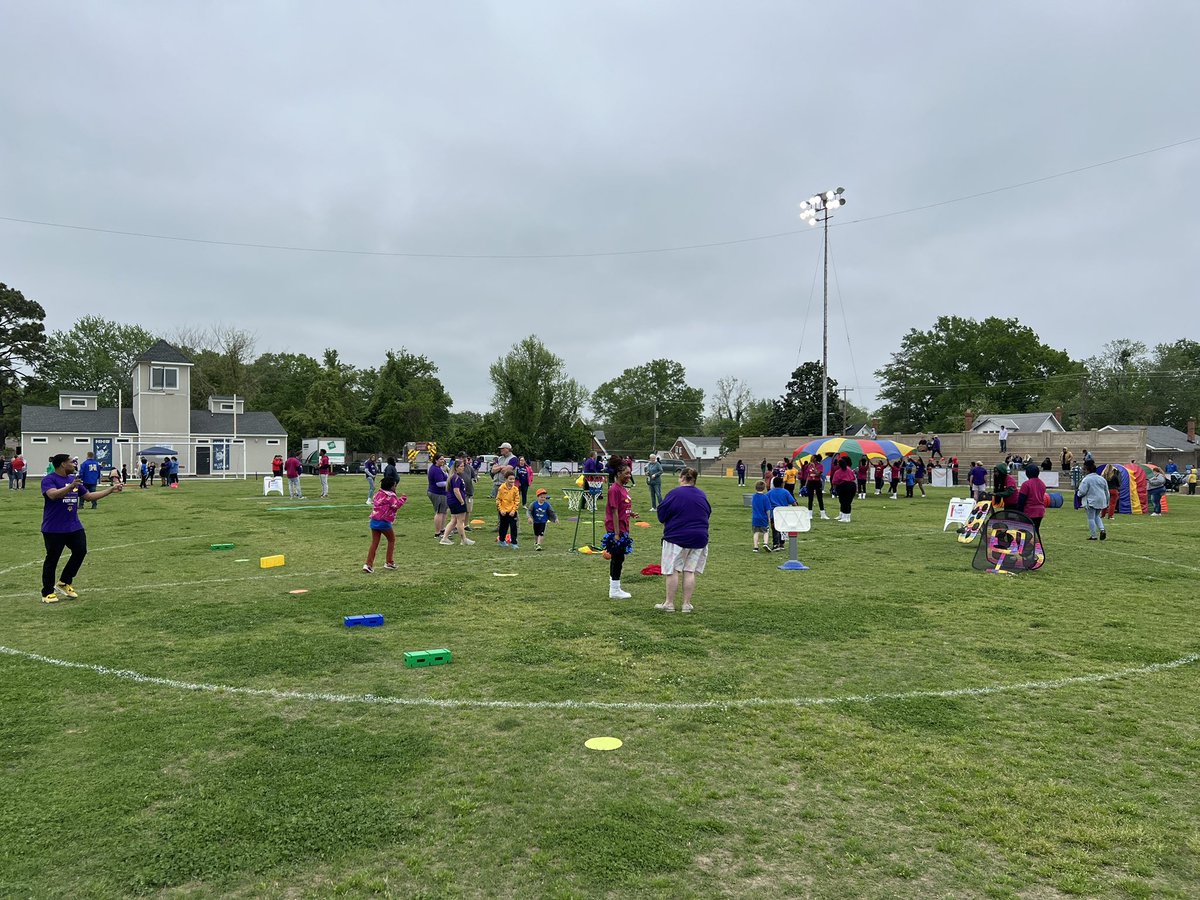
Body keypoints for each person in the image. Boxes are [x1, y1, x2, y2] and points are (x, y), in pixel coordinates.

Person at [39, 453, 124, 603]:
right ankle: (47, 593)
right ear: (63, 464)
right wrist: (70, 487)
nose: (74, 465)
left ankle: (64, 582)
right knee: (52, 559)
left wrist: (111, 490)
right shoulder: (49, 479)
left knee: (80, 551)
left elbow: (89, 496)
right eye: (71, 462)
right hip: (54, 528)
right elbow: (52, 495)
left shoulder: (73, 480)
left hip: (73, 526)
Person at [654, 467, 711, 614]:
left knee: (673, 571)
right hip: (699, 537)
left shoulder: (674, 494)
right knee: (689, 571)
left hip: (676, 537)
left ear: (683, 477)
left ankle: (669, 603)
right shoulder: (701, 495)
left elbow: (662, 514)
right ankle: (686, 604)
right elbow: (707, 512)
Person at [363, 476, 406, 573]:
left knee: (374, 543)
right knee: (391, 540)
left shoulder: (378, 493)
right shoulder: (391, 495)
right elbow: (396, 506)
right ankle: (389, 562)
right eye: (395, 486)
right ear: (391, 486)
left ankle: (368, 564)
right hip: (384, 522)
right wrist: (403, 498)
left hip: (374, 520)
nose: (395, 487)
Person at [603, 463, 634, 598]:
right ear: (618, 473)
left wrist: (630, 513)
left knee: (618, 558)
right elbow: (614, 512)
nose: (629, 476)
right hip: (617, 529)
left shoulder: (623, 489)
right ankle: (615, 590)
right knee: (618, 558)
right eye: (626, 473)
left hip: (623, 527)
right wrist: (616, 534)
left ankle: (614, 588)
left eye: (630, 473)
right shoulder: (614, 489)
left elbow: (622, 507)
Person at [440, 458, 474, 545]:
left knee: (454, 520)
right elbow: (456, 491)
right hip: (456, 502)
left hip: (452, 501)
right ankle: (464, 539)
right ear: (456, 468)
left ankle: (444, 538)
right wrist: (462, 501)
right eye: (461, 466)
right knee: (460, 521)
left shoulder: (453, 477)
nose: (463, 468)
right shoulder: (456, 478)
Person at [1076, 459, 1109, 541]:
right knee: (1097, 516)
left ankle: (1093, 535)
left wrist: (1078, 494)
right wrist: (1107, 501)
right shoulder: (1101, 479)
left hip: (1091, 500)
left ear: (1087, 469)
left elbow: (1082, 491)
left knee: (1091, 518)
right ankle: (1102, 529)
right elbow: (1106, 491)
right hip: (1101, 500)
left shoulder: (1086, 479)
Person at [1015, 463, 1048, 533]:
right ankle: (1038, 544)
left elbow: (1021, 500)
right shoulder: (1042, 484)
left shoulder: (1026, 484)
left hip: (1029, 511)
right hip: (1040, 511)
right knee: (1036, 531)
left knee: (1026, 532)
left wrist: (1018, 512)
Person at [765, 475, 795, 549]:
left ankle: (775, 544)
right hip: (783, 513)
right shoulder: (785, 492)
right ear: (782, 484)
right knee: (783, 528)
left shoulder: (770, 493)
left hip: (773, 513)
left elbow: (765, 502)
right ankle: (782, 543)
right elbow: (793, 502)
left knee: (775, 528)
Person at [496, 469, 521, 549]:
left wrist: (514, 510)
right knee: (503, 527)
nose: (512, 481)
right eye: (510, 479)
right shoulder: (501, 488)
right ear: (506, 479)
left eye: (513, 479)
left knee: (513, 527)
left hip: (512, 512)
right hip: (503, 512)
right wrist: (501, 510)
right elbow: (498, 500)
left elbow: (517, 501)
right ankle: (502, 540)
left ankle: (514, 543)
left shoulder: (515, 489)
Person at [427, 453, 449, 537]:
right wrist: (449, 483)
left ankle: (442, 530)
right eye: (440, 459)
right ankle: (437, 532)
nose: (442, 461)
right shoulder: (435, 470)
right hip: (437, 493)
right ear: (436, 460)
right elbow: (439, 483)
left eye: (443, 459)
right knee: (439, 512)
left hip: (442, 493)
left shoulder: (439, 468)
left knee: (444, 512)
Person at [802, 455, 829, 520]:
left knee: (820, 498)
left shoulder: (820, 466)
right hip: (810, 483)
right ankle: (809, 514)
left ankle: (823, 514)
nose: (811, 458)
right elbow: (808, 475)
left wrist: (814, 467)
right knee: (810, 498)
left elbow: (818, 474)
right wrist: (805, 484)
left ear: (816, 459)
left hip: (817, 482)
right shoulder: (809, 465)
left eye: (813, 457)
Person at [831, 455, 858, 523]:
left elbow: (834, 482)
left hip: (844, 486)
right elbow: (854, 478)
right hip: (852, 486)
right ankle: (847, 517)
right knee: (848, 502)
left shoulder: (838, 472)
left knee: (843, 502)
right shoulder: (849, 469)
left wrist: (834, 490)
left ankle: (844, 517)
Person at [750, 479, 772, 552]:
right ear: (764, 488)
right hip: (763, 517)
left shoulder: (754, 496)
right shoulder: (765, 497)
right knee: (766, 531)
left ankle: (755, 547)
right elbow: (768, 509)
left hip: (755, 518)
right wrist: (769, 517)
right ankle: (765, 543)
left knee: (756, 532)